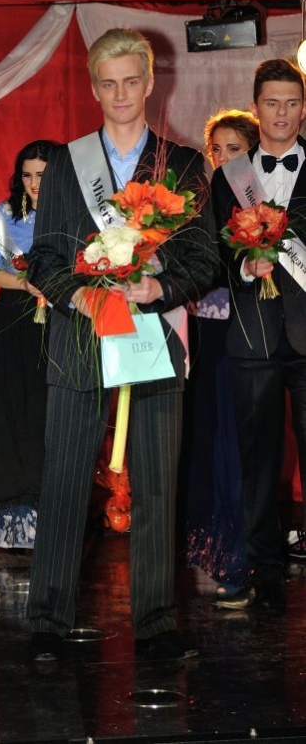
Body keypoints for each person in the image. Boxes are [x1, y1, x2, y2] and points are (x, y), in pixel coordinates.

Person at [26, 27, 218, 661]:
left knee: (158, 482)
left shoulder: (183, 164)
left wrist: (157, 287)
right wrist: (78, 296)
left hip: (153, 333)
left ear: (150, 82)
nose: (121, 95)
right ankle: (47, 622)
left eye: (131, 82)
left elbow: (203, 260)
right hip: (79, 334)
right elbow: (44, 257)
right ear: (93, 88)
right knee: (64, 479)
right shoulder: (65, 163)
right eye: (108, 85)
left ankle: (157, 622)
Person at [211, 58, 306, 610]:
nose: (282, 114)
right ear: (255, 107)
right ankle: (262, 571)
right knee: (259, 462)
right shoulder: (230, 176)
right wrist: (246, 266)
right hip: (252, 336)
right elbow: (213, 253)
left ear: (303, 108)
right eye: (272, 103)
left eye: (292, 103)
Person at [182, 110, 259, 597]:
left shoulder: (262, 200)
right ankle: (207, 544)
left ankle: (240, 548)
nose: (224, 158)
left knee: (236, 440)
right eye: (217, 150)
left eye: (234, 149)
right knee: (205, 434)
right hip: (203, 331)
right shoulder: (202, 197)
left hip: (246, 331)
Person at [0, 140, 55, 549]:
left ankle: (56, 517)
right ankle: (11, 520)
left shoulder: (77, 215)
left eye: (42, 174)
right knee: (10, 413)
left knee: (50, 417)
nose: (34, 182)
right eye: (27, 174)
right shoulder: (2, 217)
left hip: (62, 321)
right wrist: (23, 282)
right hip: (13, 320)